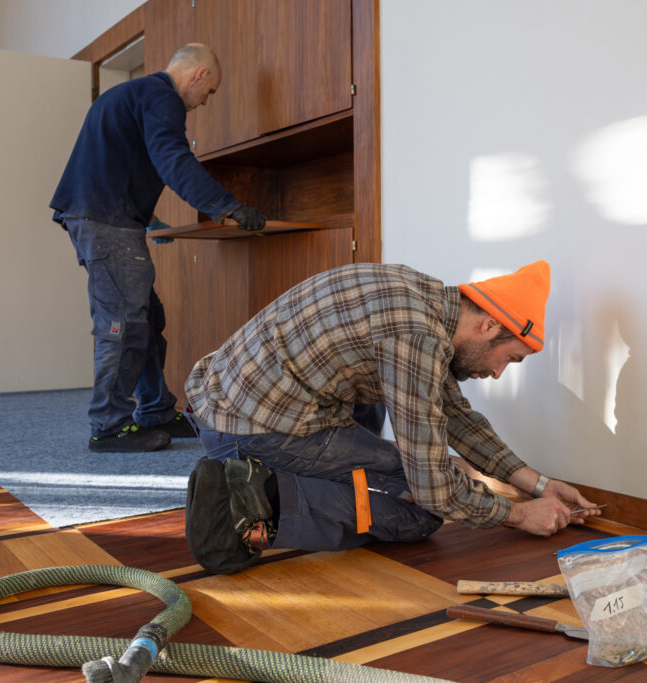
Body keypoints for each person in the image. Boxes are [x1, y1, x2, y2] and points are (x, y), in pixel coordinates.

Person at [181, 260, 602, 574]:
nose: (496, 373)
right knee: (419, 509)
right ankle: (246, 507)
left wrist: (537, 483)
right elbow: (435, 490)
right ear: (490, 326)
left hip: (226, 404)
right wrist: (518, 515)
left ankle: (267, 481)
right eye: (509, 359)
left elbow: (454, 414)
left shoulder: (420, 296)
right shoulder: (416, 337)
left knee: (446, 473)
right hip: (249, 429)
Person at [50, 43, 268, 453]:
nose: (205, 102)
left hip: (105, 215)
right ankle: (109, 426)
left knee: (147, 318)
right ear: (199, 74)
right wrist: (228, 207)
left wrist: (150, 221)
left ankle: (154, 411)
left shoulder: (138, 95)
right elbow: (174, 159)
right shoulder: (161, 97)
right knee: (125, 323)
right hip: (105, 221)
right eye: (211, 91)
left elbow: (115, 163)